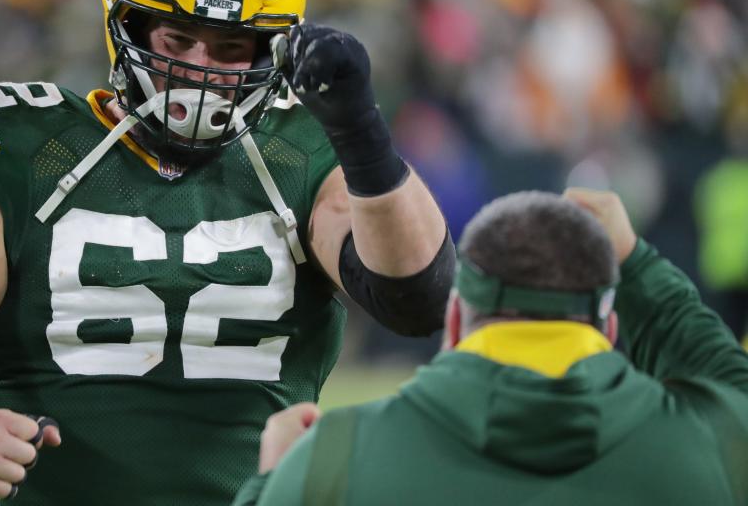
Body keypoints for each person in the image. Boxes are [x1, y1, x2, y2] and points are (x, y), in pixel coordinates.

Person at [0, 0, 454, 505]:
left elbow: (415, 297)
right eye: (178, 39)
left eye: (229, 49)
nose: (201, 69)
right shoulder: (20, 148)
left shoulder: (300, 148)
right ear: (127, 23)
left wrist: (361, 133)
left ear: (270, 50)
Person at [233, 188, 748, 506]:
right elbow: (731, 386)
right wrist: (637, 263)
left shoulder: (330, 463)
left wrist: (273, 481)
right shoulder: (713, 450)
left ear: (454, 321)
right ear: (609, 330)